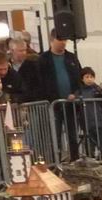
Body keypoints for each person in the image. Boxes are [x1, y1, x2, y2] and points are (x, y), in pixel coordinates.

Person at [34, 30, 82, 161]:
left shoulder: (72, 57)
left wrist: (76, 94)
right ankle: (55, 162)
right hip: (52, 105)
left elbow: (79, 79)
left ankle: (75, 160)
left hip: (71, 105)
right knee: (54, 136)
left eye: (65, 40)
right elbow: (39, 82)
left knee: (73, 135)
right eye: (60, 40)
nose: (63, 43)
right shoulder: (43, 59)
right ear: (52, 40)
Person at [73, 67, 102, 157]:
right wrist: (73, 98)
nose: (89, 79)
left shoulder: (98, 89)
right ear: (82, 79)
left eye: (91, 77)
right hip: (87, 125)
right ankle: (91, 161)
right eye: (87, 77)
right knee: (89, 148)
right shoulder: (79, 92)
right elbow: (75, 103)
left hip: (100, 123)